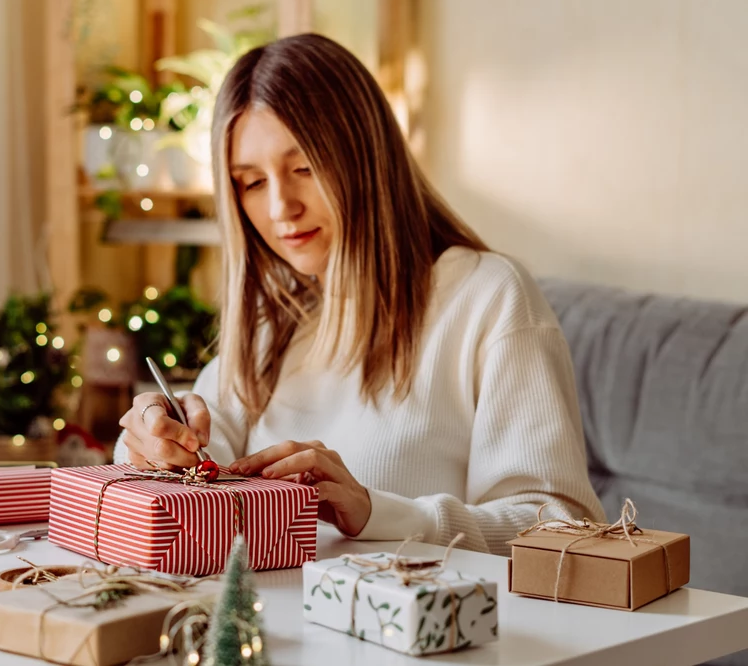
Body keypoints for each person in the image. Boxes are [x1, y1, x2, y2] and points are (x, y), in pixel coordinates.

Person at [113, 33, 605, 556]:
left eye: (303, 169)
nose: (281, 208)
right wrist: (151, 444)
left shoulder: (488, 299)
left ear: (365, 157)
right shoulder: (272, 319)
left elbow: (560, 531)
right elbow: (192, 461)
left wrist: (377, 512)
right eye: (252, 183)